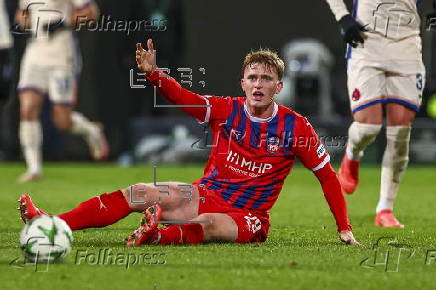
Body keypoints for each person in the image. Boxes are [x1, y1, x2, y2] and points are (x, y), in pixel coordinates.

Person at [18, 39, 359, 246]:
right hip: (205, 194)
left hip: (248, 216)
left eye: (266, 79)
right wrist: (154, 75)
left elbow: (327, 176)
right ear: (242, 82)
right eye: (252, 77)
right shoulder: (226, 110)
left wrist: (344, 228)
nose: (258, 84)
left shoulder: (295, 127)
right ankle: (52, 223)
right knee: (139, 192)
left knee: (208, 225)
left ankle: (156, 235)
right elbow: (185, 98)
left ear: (278, 87)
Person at [325, 0, 435, 227]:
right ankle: (352, 155)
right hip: (366, 43)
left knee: (401, 131)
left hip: (406, 46)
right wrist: (342, 17)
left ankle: (385, 208)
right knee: (368, 127)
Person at [15, 0, 108, 183]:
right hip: (35, 52)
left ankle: (91, 131)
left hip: (61, 54)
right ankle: (34, 168)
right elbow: (22, 14)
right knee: (27, 108)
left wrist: (62, 23)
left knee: (62, 121)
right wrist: (24, 20)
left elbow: (92, 12)